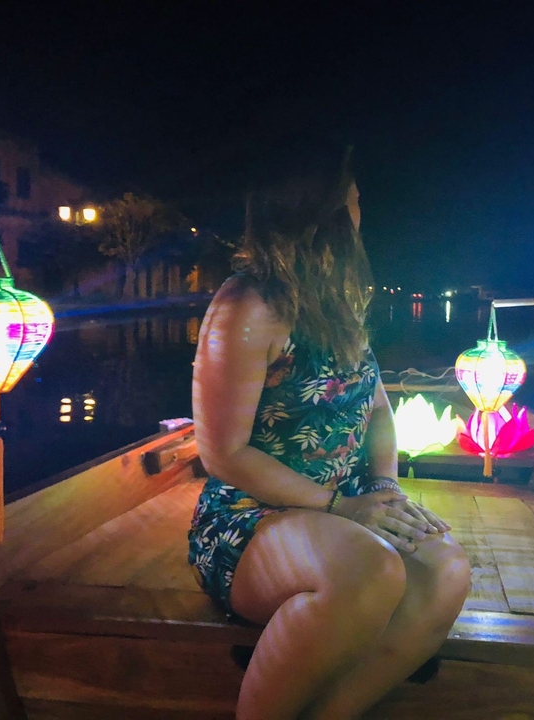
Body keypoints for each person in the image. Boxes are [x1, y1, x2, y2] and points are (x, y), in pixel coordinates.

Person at [188, 144, 471, 720]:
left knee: (445, 571)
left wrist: (384, 490)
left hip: (338, 506)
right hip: (248, 516)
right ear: (328, 208)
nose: (363, 207)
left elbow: (379, 412)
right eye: (356, 196)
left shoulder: (338, 305)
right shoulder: (248, 306)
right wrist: (341, 506)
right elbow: (222, 452)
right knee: (371, 570)